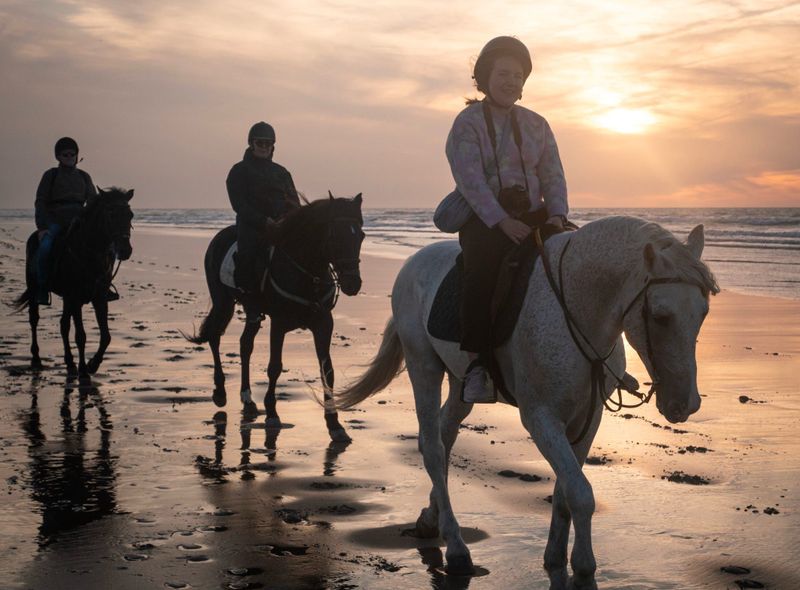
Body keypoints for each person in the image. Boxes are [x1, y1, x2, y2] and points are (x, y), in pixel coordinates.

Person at [446, 36, 570, 403]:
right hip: (486, 221)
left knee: (570, 264)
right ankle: (477, 364)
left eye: (518, 75)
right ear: (485, 77)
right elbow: (469, 179)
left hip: (536, 216)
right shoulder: (467, 123)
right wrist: (501, 221)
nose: (511, 81)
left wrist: (559, 215)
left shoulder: (538, 124)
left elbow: (553, 175)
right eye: (503, 73)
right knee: (480, 271)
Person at [226, 121, 300, 293]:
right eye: (260, 142)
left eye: (268, 143)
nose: (264, 147)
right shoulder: (239, 171)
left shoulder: (282, 172)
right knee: (248, 257)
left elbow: (294, 202)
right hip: (252, 227)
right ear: (251, 144)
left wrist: (289, 220)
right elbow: (239, 205)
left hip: (282, 225)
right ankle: (250, 303)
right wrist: (263, 221)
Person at [34, 137, 104, 305]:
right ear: (58, 156)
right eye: (65, 154)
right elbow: (40, 201)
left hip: (79, 221)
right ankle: (42, 286)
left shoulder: (84, 176)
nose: (69, 157)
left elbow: (92, 201)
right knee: (44, 247)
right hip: (56, 220)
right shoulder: (51, 175)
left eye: (72, 154)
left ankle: (103, 285)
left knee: (104, 247)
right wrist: (42, 227)